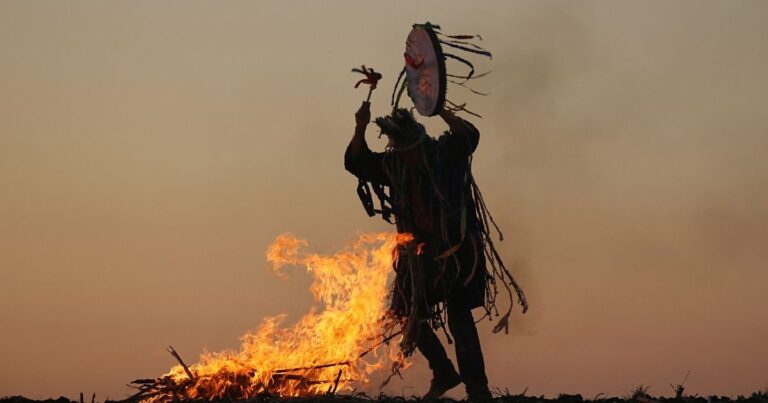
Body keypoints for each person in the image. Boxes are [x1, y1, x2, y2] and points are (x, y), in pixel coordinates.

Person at [345, 100, 524, 402]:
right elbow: (356, 162)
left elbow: (470, 136)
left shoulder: (444, 154)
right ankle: (443, 371)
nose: (404, 155)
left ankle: (477, 391)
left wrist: (439, 108)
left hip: (457, 255)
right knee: (407, 313)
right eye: (397, 149)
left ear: (418, 141)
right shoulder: (395, 166)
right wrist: (360, 125)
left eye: (406, 149)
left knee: (460, 318)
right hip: (418, 258)